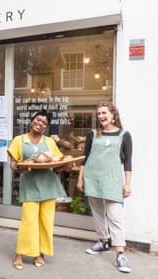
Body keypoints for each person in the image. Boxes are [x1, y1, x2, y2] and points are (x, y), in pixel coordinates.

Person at [7, 109, 68, 270]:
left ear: (46, 127)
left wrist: (65, 164)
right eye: (38, 120)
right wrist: (19, 167)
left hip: (48, 185)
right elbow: (13, 163)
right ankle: (20, 253)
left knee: (46, 222)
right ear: (32, 120)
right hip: (30, 186)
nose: (40, 124)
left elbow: (57, 163)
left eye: (44, 123)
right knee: (28, 221)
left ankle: (40, 253)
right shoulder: (19, 140)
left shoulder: (49, 142)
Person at [76, 101, 133, 273]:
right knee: (98, 213)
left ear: (113, 114)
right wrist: (80, 179)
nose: (101, 116)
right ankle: (103, 241)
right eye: (99, 113)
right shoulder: (93, 134)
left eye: (104, 113)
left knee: (115, 217)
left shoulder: (124, 135)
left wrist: (128, 184)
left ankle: (120, 254)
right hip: (92, 179)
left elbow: (128, 162)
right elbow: (85, 158)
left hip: (113, 181)